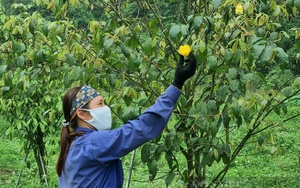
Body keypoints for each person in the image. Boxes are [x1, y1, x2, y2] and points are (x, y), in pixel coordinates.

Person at [56, 53, 197, 188]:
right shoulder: (93, 144)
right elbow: (141, 127)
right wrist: (177, 84)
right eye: (100, 104)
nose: (106, 108)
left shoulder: (71, 145)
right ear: (82, 114)